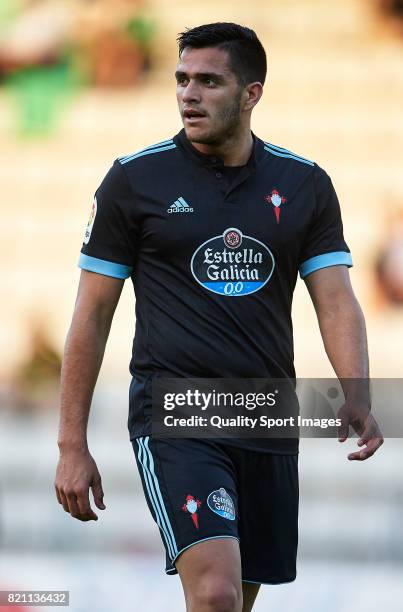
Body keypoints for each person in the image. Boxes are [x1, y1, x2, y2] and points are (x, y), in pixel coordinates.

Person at [55, 22, 383, 612]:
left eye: (208, 81)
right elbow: (92, 313)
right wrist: (71, 443)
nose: (188, 93)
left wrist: (355, 389)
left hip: (266, 413)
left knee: (236, 600)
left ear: (252, 93)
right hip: (176, 411)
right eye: (182, 79)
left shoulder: (304, 184)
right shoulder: (135, 180)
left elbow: (335, 297)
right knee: (214, 592)